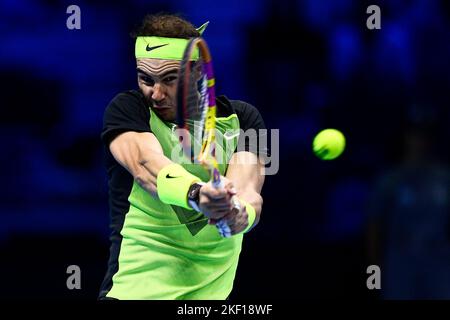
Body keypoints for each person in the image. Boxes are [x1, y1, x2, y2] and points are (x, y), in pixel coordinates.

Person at [98, 14, 267, 300]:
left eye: (169, 79)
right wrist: (197, 194)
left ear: (197, 73)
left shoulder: (245, 119)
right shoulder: (126, 110)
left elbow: (250, 193)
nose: (156, 93)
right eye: (145, 79)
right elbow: (146, 166)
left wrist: (238, 214)